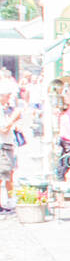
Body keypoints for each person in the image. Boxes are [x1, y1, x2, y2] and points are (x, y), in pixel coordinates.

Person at [0, 81, 21, 211]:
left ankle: (8, 200)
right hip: (3, 145)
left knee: (8, 173)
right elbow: (3, 129)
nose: (9, 99)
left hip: (7, 144)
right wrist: (14, 118)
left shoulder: (4, 109)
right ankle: (8, 201)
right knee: (5, 173)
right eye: (7, 96)